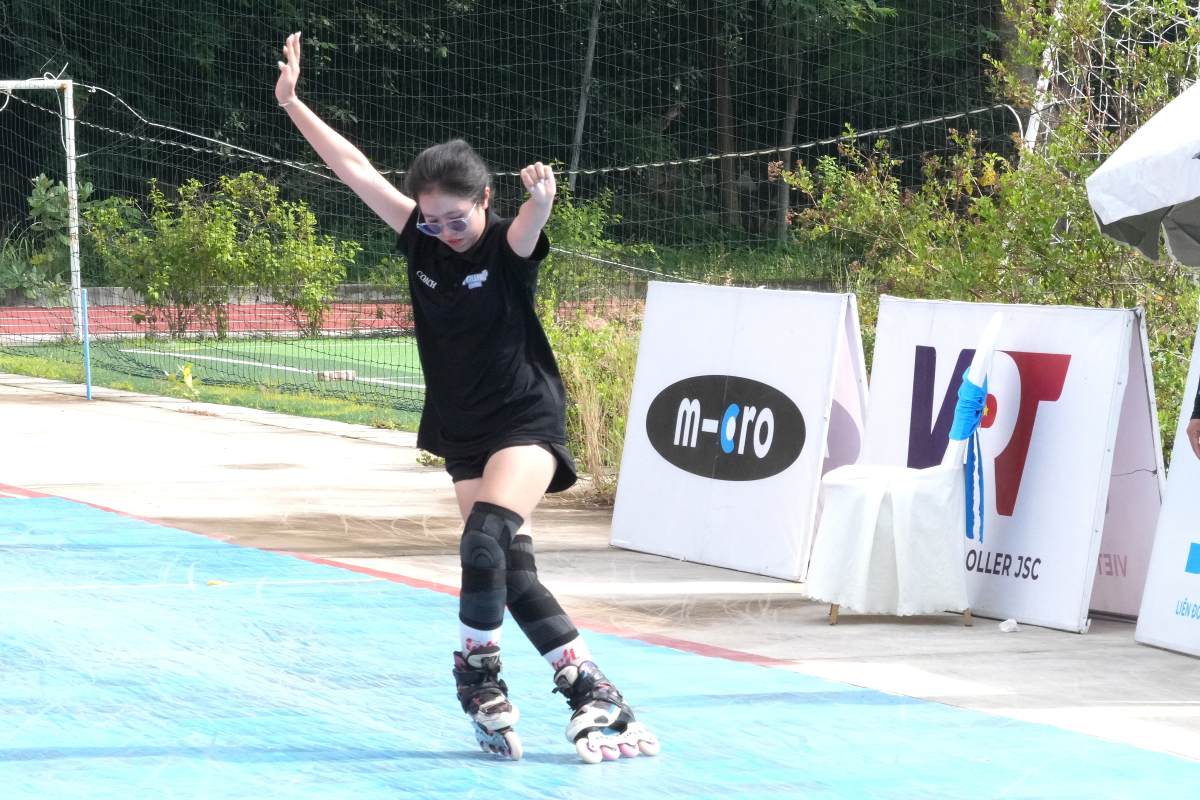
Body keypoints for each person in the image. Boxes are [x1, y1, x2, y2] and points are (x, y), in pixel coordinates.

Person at [274, 32, 657, 763]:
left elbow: (530, 225)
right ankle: (594, 692)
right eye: (433, 219)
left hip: (525, 417)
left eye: (458, 217)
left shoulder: (505, 250)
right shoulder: (419, 238)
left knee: (483, 539)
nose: (445, 232)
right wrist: (294, 103)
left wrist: (540, 199)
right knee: (505, 571)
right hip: (461, 426)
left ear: (484, 200)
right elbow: (353, 169)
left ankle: (475, 675)